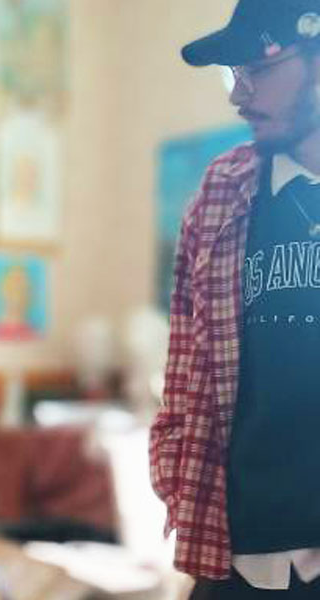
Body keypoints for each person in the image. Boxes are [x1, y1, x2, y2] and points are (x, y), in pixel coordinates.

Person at [150, 0, 320, 597]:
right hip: (233, 559)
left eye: (260, 70)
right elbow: (183, 367)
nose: (239, 94)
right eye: (234, 73)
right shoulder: (220, 192)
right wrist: (176, 476)